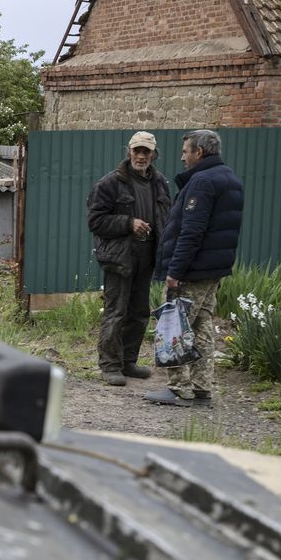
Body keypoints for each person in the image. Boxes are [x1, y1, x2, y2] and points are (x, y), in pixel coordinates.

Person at [145, 129, 243, 406]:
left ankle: (179, 388)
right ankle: (202, 389)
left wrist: (175, 271)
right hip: (213, 269)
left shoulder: (201, 182)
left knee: (174, 324)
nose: (182, 157)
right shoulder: (229, 178)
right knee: (202, 325)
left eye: (186, 151)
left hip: (192, 270)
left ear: (199, 152)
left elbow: (191, 232)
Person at [87, 131, 172, 386]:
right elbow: (95, 221)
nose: (141, 156)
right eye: (137, 150)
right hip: (120, 257)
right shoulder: (110, 183)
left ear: (154, 154)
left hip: (147, 256)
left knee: (139, 312)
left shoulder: (160, 182)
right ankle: (110, 366)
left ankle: (128, 362)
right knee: (116, 312)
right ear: (129, 151)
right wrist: (128, 223)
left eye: (146, 151)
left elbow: (165, 218)